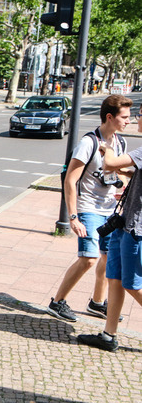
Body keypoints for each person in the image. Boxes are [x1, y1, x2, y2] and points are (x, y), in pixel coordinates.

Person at [47, 94, 132, 322]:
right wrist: (73, 217)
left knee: (108, 257)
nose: (128, 121)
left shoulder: (120, 143)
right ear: (109, 117)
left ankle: (97, 302)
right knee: (89, 258)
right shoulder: (88, 143)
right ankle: (57, 302)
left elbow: (119, 173)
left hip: (110, 209)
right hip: (88, 209)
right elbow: (70, 180)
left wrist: (122, 185)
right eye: (124, 117)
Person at [78, 103, 142, 352]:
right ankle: (108, 335)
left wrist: (106, 149)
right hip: (125, 223)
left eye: (138, 115)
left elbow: (109, 163)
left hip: (137, 228)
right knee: (114, 278)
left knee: (132, 284)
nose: (135, 119)